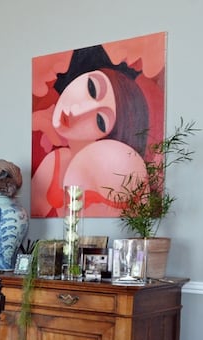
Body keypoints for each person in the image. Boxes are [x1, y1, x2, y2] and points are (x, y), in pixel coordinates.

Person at [31, 45, 154, 218]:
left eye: (100, 121)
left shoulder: (120, 173)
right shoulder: (55, 160)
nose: (79, 111)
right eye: (92, 87)